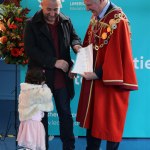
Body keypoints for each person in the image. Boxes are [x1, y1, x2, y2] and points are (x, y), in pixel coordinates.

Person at [76, 0, 138, 150]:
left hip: (111, 81)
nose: (86, 9)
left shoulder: (119, 20)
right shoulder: (95, 17)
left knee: (111, 124)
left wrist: (96, 74)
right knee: (92, 120)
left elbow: (119, 56)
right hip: (94, 80)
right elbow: (89, 44)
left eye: (89, 4)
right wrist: (79, 64)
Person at [24, 0, 82, 149]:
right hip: (40, 79)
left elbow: (75, 37)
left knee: (66, 115)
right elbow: (30, 50)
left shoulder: (66, 20)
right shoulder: (31, 24)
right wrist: (54, 62)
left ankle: (69, 147)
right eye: (48, 9)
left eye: (55, 9)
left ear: (60, 6)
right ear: (41, 6)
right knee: (40, 118)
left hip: (61, 78)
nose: (52, 13)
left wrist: (76, 46)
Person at [17, 68, 53, 150]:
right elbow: (48, 96)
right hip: (34, 125)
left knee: (28, 145)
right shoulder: (38, 91)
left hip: (26, 123)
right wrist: (45, 86)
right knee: (33, 145)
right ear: (38, 81)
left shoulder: (24, 90)